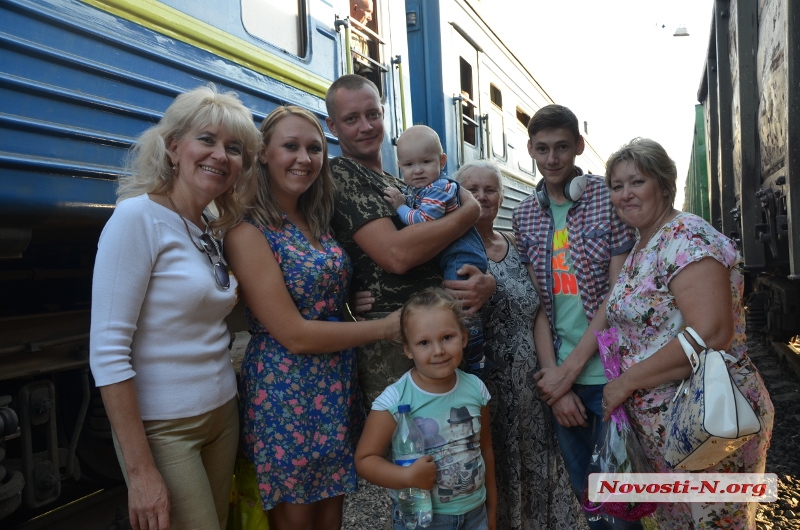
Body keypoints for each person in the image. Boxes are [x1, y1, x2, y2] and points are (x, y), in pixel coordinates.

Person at [89, 84, 261, 530]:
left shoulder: (206, 225)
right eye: (207, 139)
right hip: (165, 429)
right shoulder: (136, 218)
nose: (221, 155)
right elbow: (107, 352)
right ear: (173, 148)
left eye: (234, 148)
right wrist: (141, 471)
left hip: (222, 415)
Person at [223, 105, 400, 530]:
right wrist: (391, 327)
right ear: (263, 153)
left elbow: (318, 297)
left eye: (314, 149)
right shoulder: (248, 231)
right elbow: (294, 334)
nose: (304, 158)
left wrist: (344, 306)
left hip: (333, 388)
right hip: (286, 392)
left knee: (330, 520)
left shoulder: (316, 220)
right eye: (291, 147)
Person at [601, 137, 774, 528]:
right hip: (670, 428)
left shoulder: (686, 237)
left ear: (663, 184)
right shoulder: (643, 244)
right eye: (616, 186)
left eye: (636, 182)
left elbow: (712, 333)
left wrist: (625, 382)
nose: (625, 194)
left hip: (707, 422)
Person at [324, 74, 495, 407]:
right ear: (333, 126)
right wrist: (469, 210)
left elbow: (442, 245)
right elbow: (397, 255)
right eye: (351, 119)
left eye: (373, 114)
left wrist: (484, 280)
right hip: (395, 347)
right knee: (407, 446)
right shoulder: (342, 172)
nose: (366, 126)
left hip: (437, 335)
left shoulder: (396, 184)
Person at [512, 104, 638, 529]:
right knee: (590, 503)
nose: (552, 159)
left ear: (579, 146)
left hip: (612, 377)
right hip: (564, 382)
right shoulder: (526, 215)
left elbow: (614, 298)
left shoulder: (607, 197)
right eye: (542, 149)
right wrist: (556, 384)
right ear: (529, 148)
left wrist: (569, 371)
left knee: (622, 507)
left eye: (562, 147)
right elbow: (540, 308)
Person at [455, 159, 583, 530]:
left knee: (539, 469)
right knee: (496, 475)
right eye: (472, 189)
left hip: (529, 388)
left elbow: (539, 311)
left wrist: (550, 375)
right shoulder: (451, 251)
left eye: (490, 189)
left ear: (501, 194)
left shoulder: (515, 246)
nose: (481, 196)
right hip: (485, 390)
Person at [355, 288, 497, 530]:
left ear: (463, 337)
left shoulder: (476, 389)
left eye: (447, 337)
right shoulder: (393, 400)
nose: (438, 351)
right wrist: (406, 478)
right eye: (424, 343)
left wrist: (492, 509)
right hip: (422, 519)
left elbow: (485, 448)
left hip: (475, 514)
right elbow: (365, 460)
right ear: (408, 349)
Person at [383, 125, 489, 375]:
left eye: (426, 162)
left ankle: (475, 355)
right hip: (452, 252)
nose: (418, 170)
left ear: (441, 161)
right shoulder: (423, 188)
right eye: (409, 165)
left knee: (460, 307)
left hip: (460, 254)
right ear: (400, 166)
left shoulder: (439, 188)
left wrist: (400, 206)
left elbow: (421, 222)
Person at [350, 0, 374, 75]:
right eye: (368, 11)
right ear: (355, 8)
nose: (370, 18)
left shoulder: (361, 39)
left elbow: (364, 74)